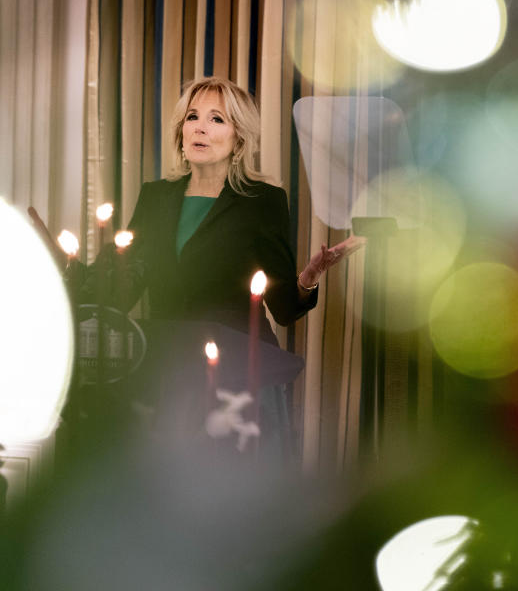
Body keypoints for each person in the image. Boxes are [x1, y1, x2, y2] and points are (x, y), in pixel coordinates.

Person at [69, 76, 360, 451]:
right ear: (181, 130)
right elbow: (122, 292)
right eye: (192, 117)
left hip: (239, 374)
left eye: (216, 119)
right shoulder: (155, 197)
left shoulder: (262, 201)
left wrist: (309, 277)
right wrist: (75, 273)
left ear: (239, 137)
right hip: (167, 373)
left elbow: (284, 308)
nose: (200, 127)